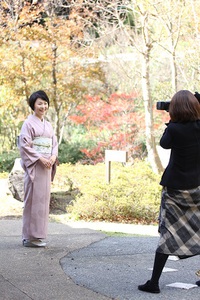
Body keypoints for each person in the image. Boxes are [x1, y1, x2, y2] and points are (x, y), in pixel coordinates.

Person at [138, 90, 200, 293]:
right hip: (197, 188)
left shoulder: (173, 129)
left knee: (167, 234)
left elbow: (164, 144)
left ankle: (154, 282)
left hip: (175, 190)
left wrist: (172, 119)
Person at [19, 90, 58, 247]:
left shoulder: (48, 125)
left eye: (45, 103)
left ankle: (40, 235)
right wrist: (40, 158)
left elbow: (54, 144)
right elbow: (24, 145)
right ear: (33, 105)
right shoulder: (28, 124)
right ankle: (29, 237)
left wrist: (53, 157)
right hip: (36, 165)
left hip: (47, 165)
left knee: (43, 200)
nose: (43, 106)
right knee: (33, 200)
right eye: (39, 103)